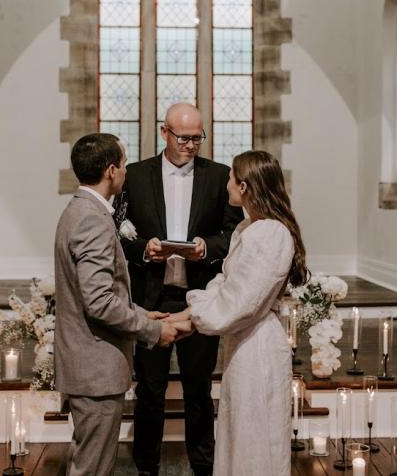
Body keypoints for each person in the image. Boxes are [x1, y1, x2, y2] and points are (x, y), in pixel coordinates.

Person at [115, 103, 243, 476]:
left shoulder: (219, 176)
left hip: (201, 296)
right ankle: (147, 467)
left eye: (197, 138)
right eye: (183, 137)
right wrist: (143, 250)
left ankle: (204, 466)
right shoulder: (135, 176)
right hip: (151, 296)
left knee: (199, 390)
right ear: (164, 132)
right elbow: (120, 235)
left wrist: (207, 248)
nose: (190, 145)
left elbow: (233, 234)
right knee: (150, 391)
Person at [167, 150, 311, 476]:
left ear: (244, 186)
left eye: (231, 177)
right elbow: (225, 285)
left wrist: (193, 319)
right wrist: (183, 315)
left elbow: (241, 304)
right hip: (243, 344)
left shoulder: (270, 234)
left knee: (255, 439)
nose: (226, 183)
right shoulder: (248, 227)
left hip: (258, 346)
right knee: (239, 433)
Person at [54, 133, 190, 476]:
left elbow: (101, 292)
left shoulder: (78, 210)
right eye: (125, 163)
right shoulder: (91, 219)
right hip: (94, 369)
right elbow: (98, 301)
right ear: (111, 170)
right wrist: (152, 329)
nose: (127, 171)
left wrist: (143, 313)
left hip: (87, 367)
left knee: (89, 461)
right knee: (92, 468)